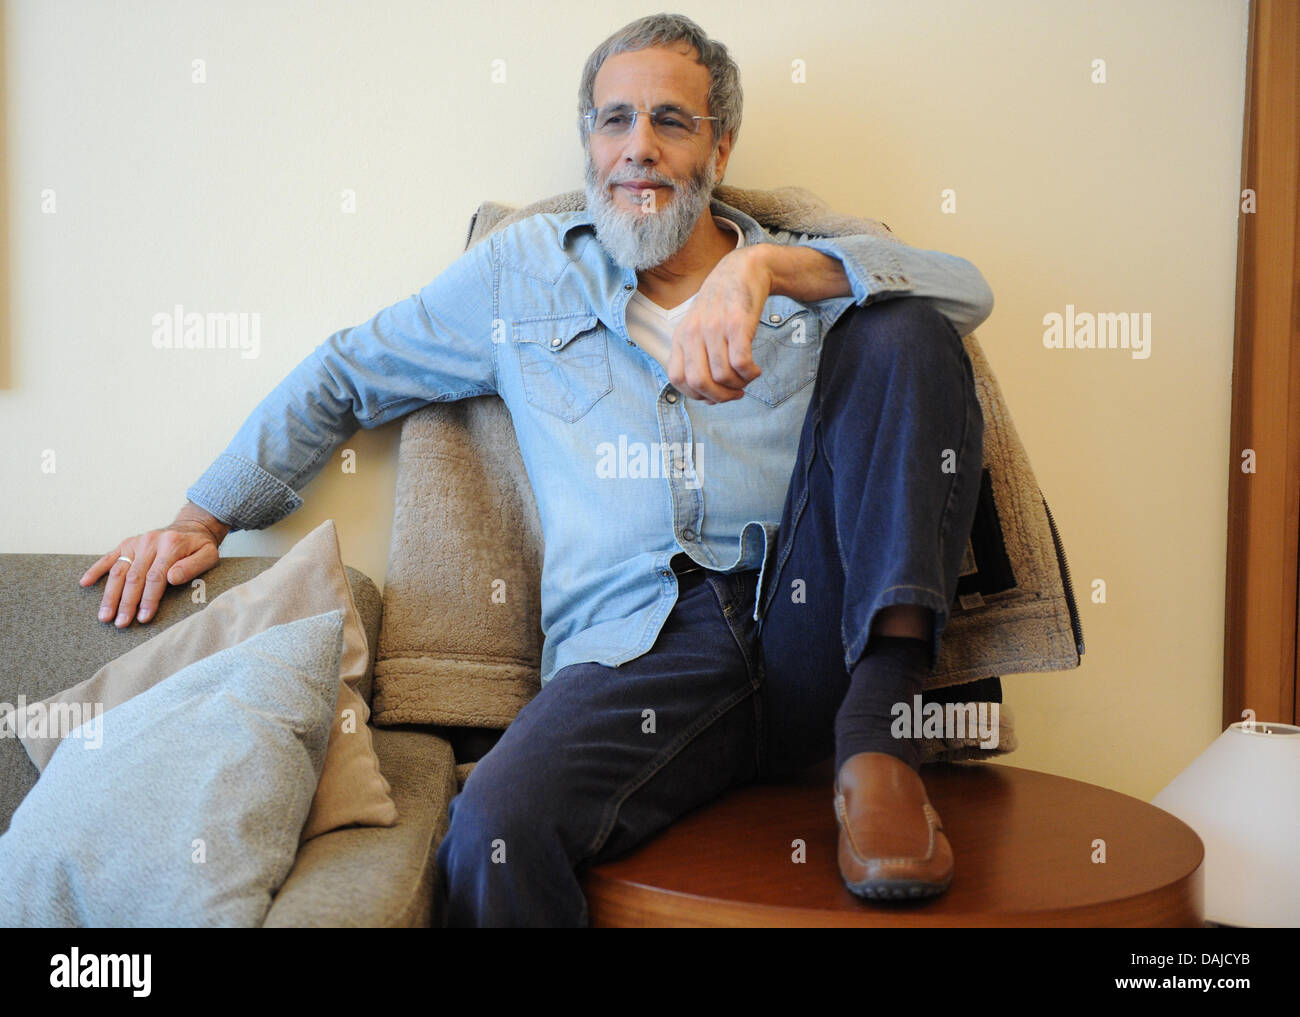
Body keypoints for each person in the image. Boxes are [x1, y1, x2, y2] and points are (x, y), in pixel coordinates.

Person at [80, 13, 994, 925]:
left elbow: (964, 292)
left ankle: (881, 744)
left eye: (672, 122)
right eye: (614, 120)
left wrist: (767, 271)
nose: (638, 147)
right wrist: (201, 516)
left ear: (720, 144)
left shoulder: (804, 267)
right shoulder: (524, 272)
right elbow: (347, 372)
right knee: (492, 834)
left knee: (905, 326)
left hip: (813, 618)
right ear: (588, 142)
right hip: (637, 651)